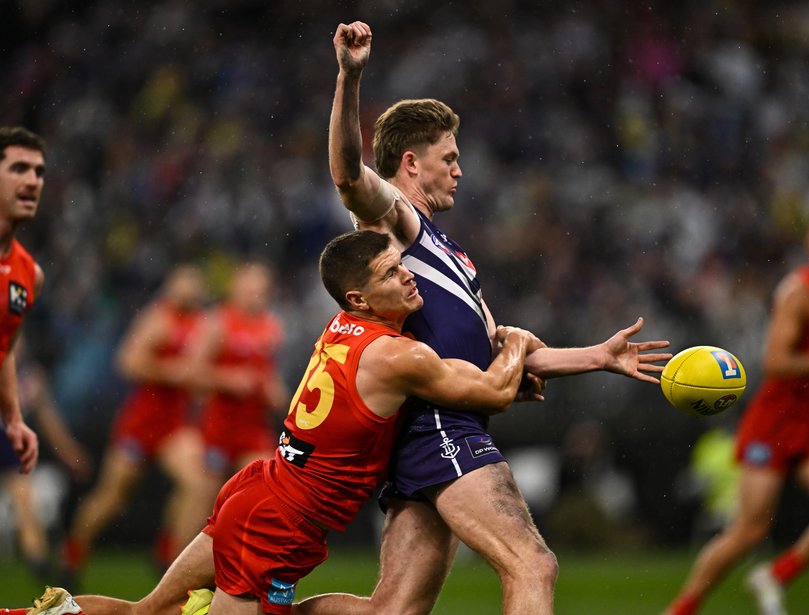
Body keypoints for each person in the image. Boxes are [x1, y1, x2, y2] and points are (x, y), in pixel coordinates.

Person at [293, 21, 672, 615]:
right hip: (441, 425)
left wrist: (599, 356)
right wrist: (350, 75)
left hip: (430, 427)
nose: (460, 170)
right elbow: (346, 173)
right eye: (450, 158)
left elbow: (503, 346)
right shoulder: (398, 224)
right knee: (533, 563)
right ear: (412, 165)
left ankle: (250, 608)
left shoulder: (445, 249)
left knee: (392, 610)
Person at [4, 229, 538, 615]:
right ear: (359, 297)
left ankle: (43, 614)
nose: (407, 275)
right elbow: (494, 391)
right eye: (391, 273)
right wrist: (514, 341)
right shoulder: (398, 355)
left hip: (260, 487)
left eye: (404, 265)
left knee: (146, 611)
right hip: (281, 521)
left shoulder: (339, 325)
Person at [665, 234, 809, 615]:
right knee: (751, 529)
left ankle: (778, 574)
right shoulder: (799, 291)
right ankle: (681, 609)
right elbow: (777, 362)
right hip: (778, 419)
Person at [60, 264, 209, 581]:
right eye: (184, 282)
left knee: (197, 483)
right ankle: (72, 554)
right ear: (171, 285)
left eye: (194, 283)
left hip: (173, 424)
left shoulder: (200, 323)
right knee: (112, 498)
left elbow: (197, 372)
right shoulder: (159, 317)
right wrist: (171, 372)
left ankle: (168, 559)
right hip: (140, 423)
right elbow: (127, 362)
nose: (190, 289)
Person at [188, 262, 288, 505]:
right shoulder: (217, 322)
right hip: (219, 425)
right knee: (203, 497)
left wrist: (277, 393)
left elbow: (269, 373)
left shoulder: (271, 327)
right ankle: (175, 544)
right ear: (235, 288)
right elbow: (190, 373)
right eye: (249, 289)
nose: (255, 296)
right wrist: (226, 379)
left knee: (268, 487)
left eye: (261, 291)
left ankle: (247, 542)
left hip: (253, 425)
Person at [1, 336, 92, 583]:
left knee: (24, 499)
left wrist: (69, 452)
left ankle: (40, 566)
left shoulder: (30, 376)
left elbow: (48, 419)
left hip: (8, 443)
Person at [0, 126, 47, 476]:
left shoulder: (30, 274)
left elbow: (4, 348)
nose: (33, 181)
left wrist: (13, 419)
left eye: (39, 172)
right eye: (19, 169)